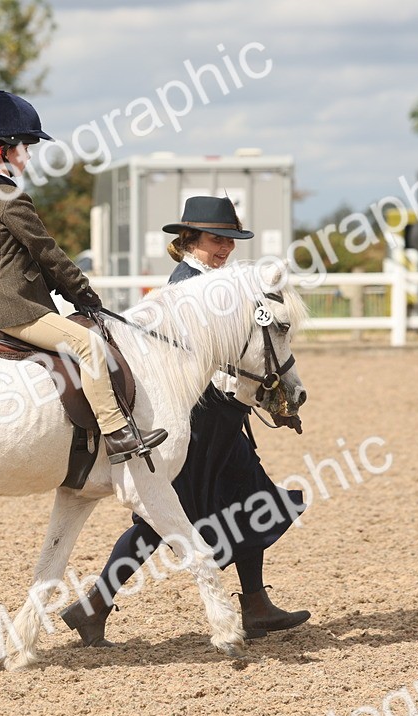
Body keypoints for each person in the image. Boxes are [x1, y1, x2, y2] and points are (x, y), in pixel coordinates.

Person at [61, 196, 311, 644]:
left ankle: (254, 604)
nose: (225, 249)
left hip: (224, 416)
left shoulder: (221, 285)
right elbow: (192, 363)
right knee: (161, 517)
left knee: (248, 497)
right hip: (198, 420)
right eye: (217, 239)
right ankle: (94, 604)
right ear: (190, 239)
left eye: (230, 240)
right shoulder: (187, 286)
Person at [0, 90, 166, 463]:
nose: (30, 154)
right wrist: (82, 292)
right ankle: (117, 432)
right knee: (90, 345)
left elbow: (14, 259)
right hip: (12, 310)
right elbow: (46, 251)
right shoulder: (9, 196)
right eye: (25, 145)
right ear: (4, 149)